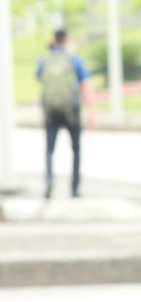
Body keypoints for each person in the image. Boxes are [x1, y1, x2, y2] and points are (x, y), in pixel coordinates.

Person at [36, 28, 91, 199]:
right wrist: (92, 110)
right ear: (67, 40)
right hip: (71, 111)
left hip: (51, 111)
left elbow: (39, 79)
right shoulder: (74, 60)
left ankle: (50, 182)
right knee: (75, 150)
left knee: (49, 150)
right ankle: (74, 187)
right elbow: (86, 84)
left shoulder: (44, 60)